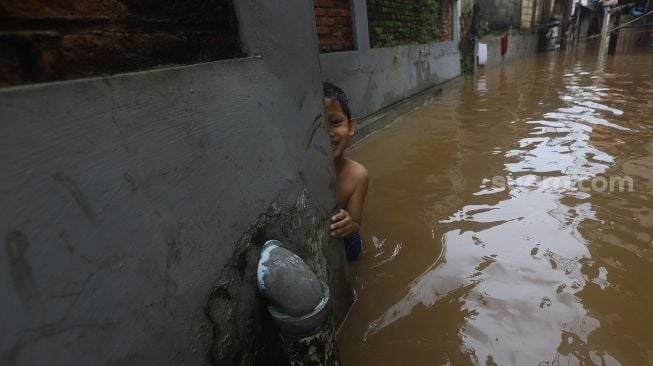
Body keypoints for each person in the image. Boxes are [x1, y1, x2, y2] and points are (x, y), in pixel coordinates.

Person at [323, 82, 369, 260]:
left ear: (351, 127)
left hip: (343, 238)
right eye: (318, 125)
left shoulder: (358, 175)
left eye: (335, 122)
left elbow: (356, 223)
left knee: (355, 249)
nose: (327, 132)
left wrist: (349, 225)